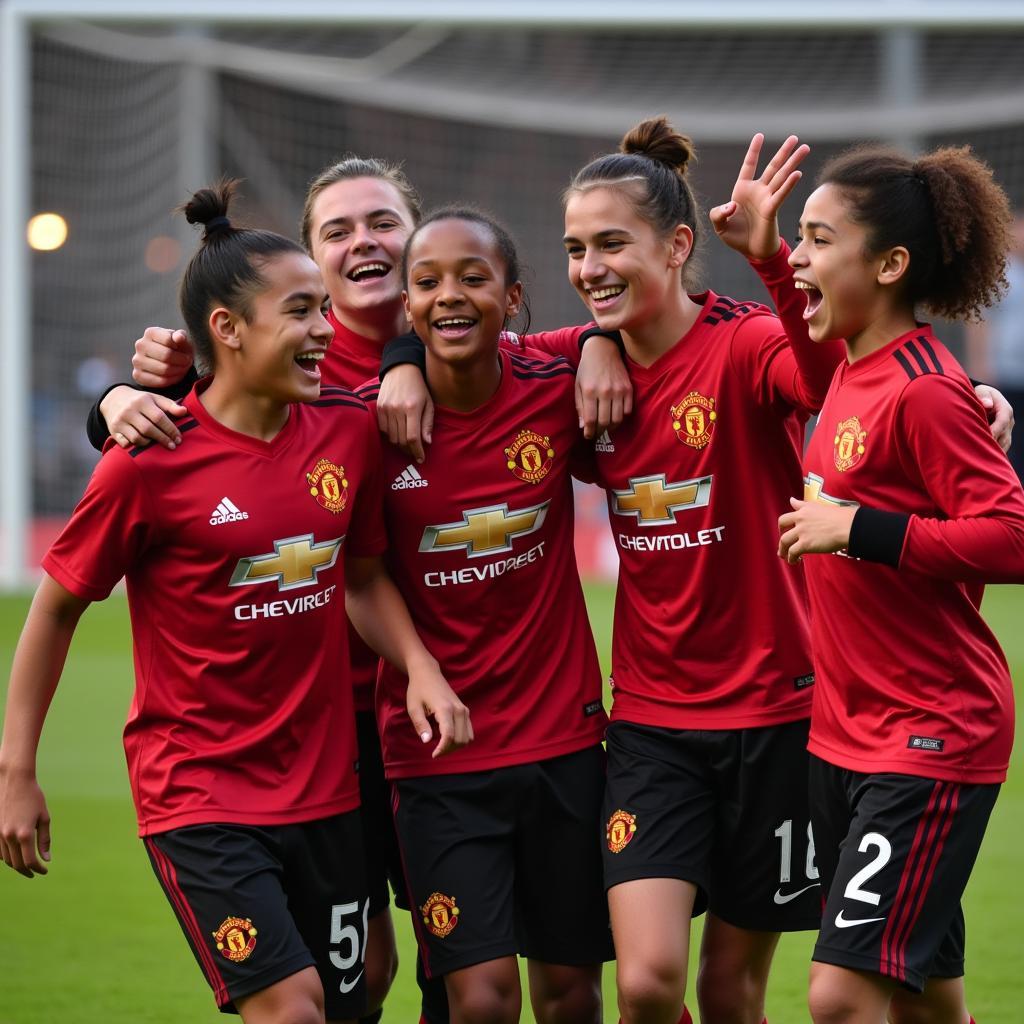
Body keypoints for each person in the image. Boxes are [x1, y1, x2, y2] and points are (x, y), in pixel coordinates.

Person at [85, 157, 629, 1024]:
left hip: (459, 723)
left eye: (381, 222)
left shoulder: (487, 348)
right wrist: (118, 397)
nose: (362, 241)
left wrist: (600, 337)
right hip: (320, 732)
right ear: (308, 263)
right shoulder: (287, 360)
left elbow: (573, 340)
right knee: (360, 972)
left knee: (465, 978)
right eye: (336, 230)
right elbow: (190, 433)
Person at [0, 181, 468, 1024]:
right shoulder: (147, 463)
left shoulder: (344, 435)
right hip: (201, 793)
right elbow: (56, 608)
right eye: (301, 311)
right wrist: (15, 773)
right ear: (227, 329)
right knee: (291, 1011)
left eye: (324, 309)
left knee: (353, 1003)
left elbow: (362, 577)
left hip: (328, 790)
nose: (325, 330)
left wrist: (419, 668)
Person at [776, 145, 1024, 1024]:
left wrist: (860, 530)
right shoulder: (848, 366)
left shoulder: (923, 390)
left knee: (840, 996)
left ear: (888, 265)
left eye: (815, 238)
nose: (796, 255)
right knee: (927, 1004)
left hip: (929, 738)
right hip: (847, 734)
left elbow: (1011, 536)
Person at [356, 206, 614, 1024]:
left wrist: (599, 341)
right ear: (407, 305)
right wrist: (421, 671)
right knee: (481, 999)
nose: (449, 296)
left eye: (473, 277)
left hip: (563, 743)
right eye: (426, 282)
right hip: (437, 760)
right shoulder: (369, 424)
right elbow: (361, 579)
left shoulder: (553, 394)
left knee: (571, 993)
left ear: (512, 296)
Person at [966, 209, 1024, 481]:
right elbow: (980, 322)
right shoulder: (1002, 275)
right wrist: (981, 365)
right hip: (1004, 375)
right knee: (1008, 439)